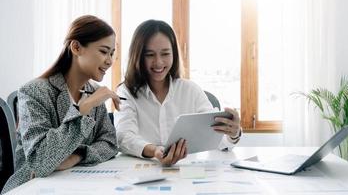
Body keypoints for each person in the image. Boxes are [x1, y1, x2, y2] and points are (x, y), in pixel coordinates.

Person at [1, 15, 120, 194]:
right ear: (76, 47)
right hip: (31, 187)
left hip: (76, 185)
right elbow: (41, 160)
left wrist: (77, 156)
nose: (110, 61)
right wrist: (82, 109)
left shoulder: (94, 91)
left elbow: (110, 143)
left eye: (112, 53)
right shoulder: (33, 92)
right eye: (104, 52)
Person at [114, 20, 241, 166]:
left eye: (165, 53)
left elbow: (216, 139)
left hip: (186, 172)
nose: (159, 62)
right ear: (138, 56)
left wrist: (233, 134)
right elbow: (123, 137)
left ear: (174, 54)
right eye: (149, 55)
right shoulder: (126, 92)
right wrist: (155, 151)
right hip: (142, 171)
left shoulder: (190, 90)